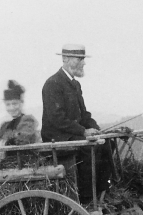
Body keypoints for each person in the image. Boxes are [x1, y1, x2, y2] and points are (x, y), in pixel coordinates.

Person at [41, 44, 111, 204]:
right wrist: (83, 132)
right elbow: (56, 118)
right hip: (57, 137)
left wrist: (98, 130)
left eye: (83, 59)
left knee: (106, 144)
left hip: (72, 133)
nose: (83, 63)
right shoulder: (53, 83)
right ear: (65, 59)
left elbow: (84, 115)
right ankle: (86, 198)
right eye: (79, 59)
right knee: (88, 149)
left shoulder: (75, 84)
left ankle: (103, 191)